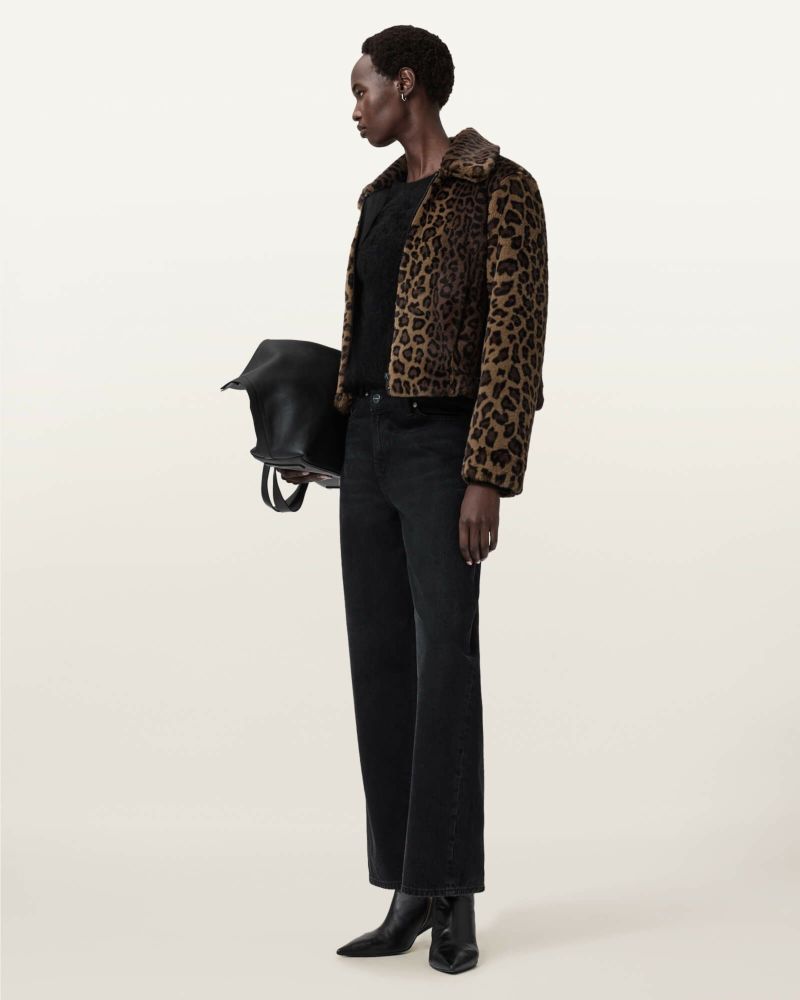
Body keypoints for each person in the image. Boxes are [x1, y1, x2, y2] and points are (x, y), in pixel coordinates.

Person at [279, 24, 548, 974]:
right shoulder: (378, 198)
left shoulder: (500, 189)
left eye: (362, 91)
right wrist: (324, 441)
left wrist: (488, 472)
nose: (354, 109)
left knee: (447, 667)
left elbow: (515, 341)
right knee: (383, 667)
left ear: (406, 84)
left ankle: (455, 895)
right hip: (368, 447)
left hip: (443, 450)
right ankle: (405, 890)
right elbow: (368, 331)